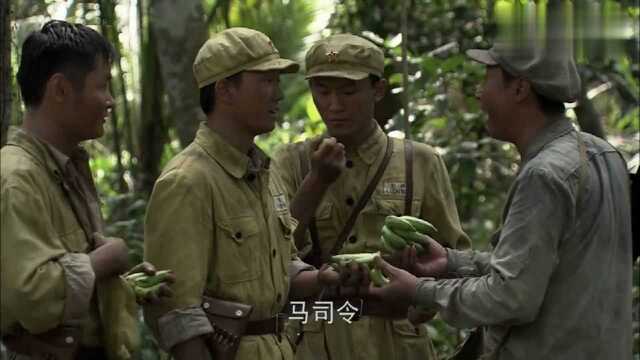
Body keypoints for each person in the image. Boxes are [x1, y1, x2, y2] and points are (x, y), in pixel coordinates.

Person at [369, 42, 633, 359]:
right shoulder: (603, 153)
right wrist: (452, 262)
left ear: (520, 88)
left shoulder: (545, 175)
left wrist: (419, 291)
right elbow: (541, 268)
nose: (479, 95)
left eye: (487, 80)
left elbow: (511, 297)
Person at [142, 27, 343, 360]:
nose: (278, 94)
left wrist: (323, 278)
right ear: (225, 90)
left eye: (277, 81)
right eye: (266, 80)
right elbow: (176, 313)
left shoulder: (266, 172)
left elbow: (281, 270)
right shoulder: (187, 181)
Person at [272, 33, 471, 360]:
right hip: (315, 343)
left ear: (377, 90)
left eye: (348, 92)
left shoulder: (419, 162)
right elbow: (273, 256)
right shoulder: (291, 162)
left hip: (398, 344)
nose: (334, 106)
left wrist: (416, 295)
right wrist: (316, 182)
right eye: (322, 92)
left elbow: (454, 262)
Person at [1, 20, 169, 360]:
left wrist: (121, 287)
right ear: (60, 89)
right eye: (102, 86)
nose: (110, 101)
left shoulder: (66, 167)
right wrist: (103, 262)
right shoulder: (16, 178)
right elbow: (33, 297)